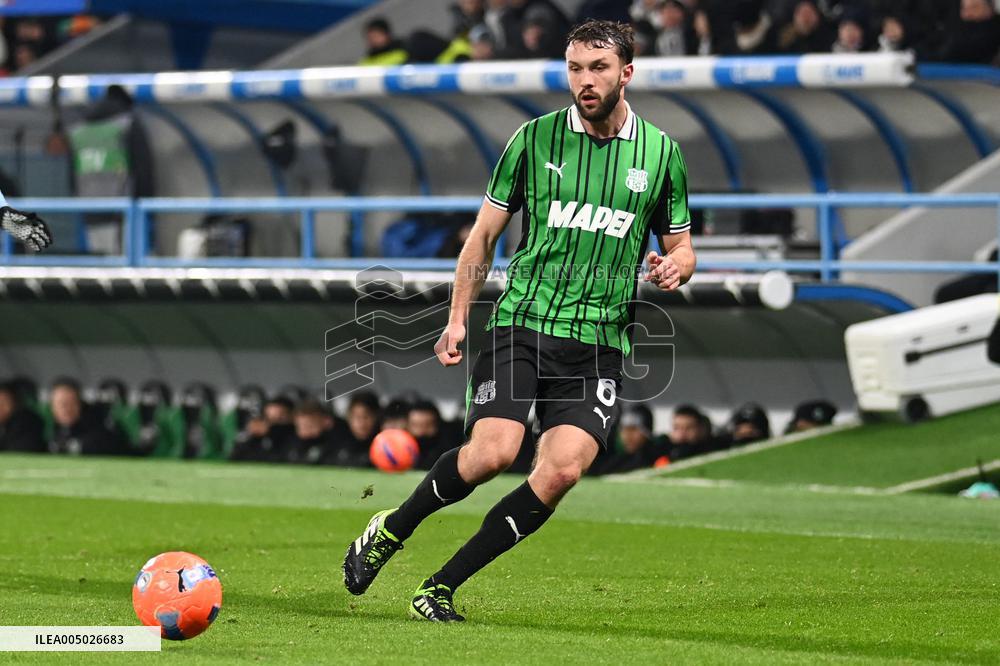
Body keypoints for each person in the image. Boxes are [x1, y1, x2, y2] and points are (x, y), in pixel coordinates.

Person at [342, 20, 696, 622]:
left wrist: (676, 267)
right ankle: (391, 529)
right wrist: (457, 318)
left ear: (627, 73)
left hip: (600, 342)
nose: (585, 81)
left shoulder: (662, 155)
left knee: (561, 472)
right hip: (524, 323)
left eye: (599, 68)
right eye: (575, 68)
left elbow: (682, 246)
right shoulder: (533, 140)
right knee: (493, 454)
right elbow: (482, 236)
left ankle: (439, 588)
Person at [48, 378, 125, 456]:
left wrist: (79, 446)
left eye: (72, 403)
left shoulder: (97, 422)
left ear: (80, 404)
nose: (67, 409)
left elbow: (112, 445)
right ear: (52, 406)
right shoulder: (49, 428)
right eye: (62, 404)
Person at [326, 391, 380, 467]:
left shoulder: (382, 442)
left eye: (366, 417)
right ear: (349, 417)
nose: (361, 424)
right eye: (357, 417)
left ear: (376, 417)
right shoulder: (338, 438)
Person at [937, 0, 1000, 64]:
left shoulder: (991, 29)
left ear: (989, 9)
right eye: (964, 8)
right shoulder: (955, 28)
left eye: (974, 7)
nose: (968, 14)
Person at [0, 381, 45, 453]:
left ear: (15, 403)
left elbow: (20, 450)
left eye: (4, 402)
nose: (1, 407)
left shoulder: (28, 422)